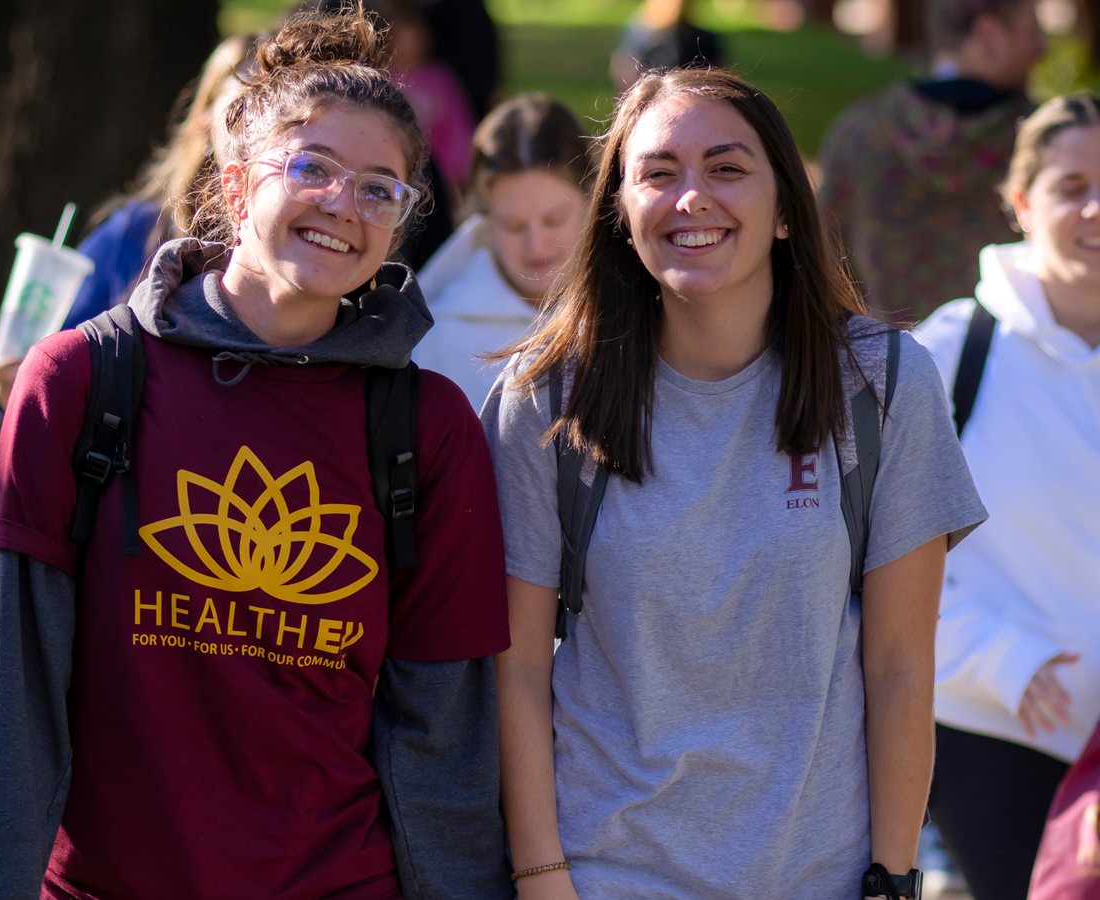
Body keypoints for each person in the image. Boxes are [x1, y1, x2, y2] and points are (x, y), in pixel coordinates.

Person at [0, 8, 512, 900]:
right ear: (237, 184)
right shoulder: (80, 381)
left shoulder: (428, 428)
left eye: (380, 188)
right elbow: (9, 692)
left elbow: (444, 735)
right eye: (312, 168)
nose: (342, 205)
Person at [482, 68, 988, 900]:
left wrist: (893, 878)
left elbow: (901, 664)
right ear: (619, 210)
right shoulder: (545, 400)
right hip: (607, 873)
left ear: (787, 210)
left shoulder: (884, 384)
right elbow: (517, 668)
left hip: (819, 878)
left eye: (726, 168)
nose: (691, 199)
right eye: (657, 173)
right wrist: (543, 880)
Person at [913, 92, 1100, 900]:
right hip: (994, 736)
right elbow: (877, 561)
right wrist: (1003, 660)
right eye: (1071, 186)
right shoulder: (952, 353)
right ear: (1021, 203)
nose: (1096, 207)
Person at [0, 33, 256, 416]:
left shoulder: (308, 258)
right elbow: (39, 368)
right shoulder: (133, 235)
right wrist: (9, 383)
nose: (262, 131)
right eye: (243, 109)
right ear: (203, 122)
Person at [819, 0, 1045, 325]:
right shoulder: (1049, 142)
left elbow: (822, 263)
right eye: (1033, 31)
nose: (1043, 47)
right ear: (989, 34)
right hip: (1019, 362)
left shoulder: (858, 134)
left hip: (889, 363)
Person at [414, 94, 592, 411]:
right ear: (484, 215)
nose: (535, 245)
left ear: (591, 200)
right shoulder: (439, 342)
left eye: (554, 220)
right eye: (512, 225)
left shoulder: (638, 315)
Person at [610, 0, 724, 94]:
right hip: (654, 94)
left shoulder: (700, 38)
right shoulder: (643, 35)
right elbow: (626, 70)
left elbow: (720, 75)